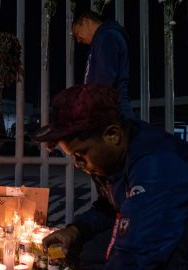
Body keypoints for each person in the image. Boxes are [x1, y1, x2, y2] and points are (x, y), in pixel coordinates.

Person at [34, 84, 188, 269]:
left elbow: (137, 256)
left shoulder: (156, 164)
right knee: (77, 250)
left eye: (80, 154)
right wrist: (74, 231)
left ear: (112, 134)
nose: (77, 164)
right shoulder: (115, 159)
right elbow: (111, 207)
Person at [72, 11, 135, 119]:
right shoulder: (104, 37)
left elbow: (104, 76)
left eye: (77, 33)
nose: (78, 40)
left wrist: (91, 106)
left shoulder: (105, 36)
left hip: (111, 110)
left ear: (86, 22)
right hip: (111, 107)